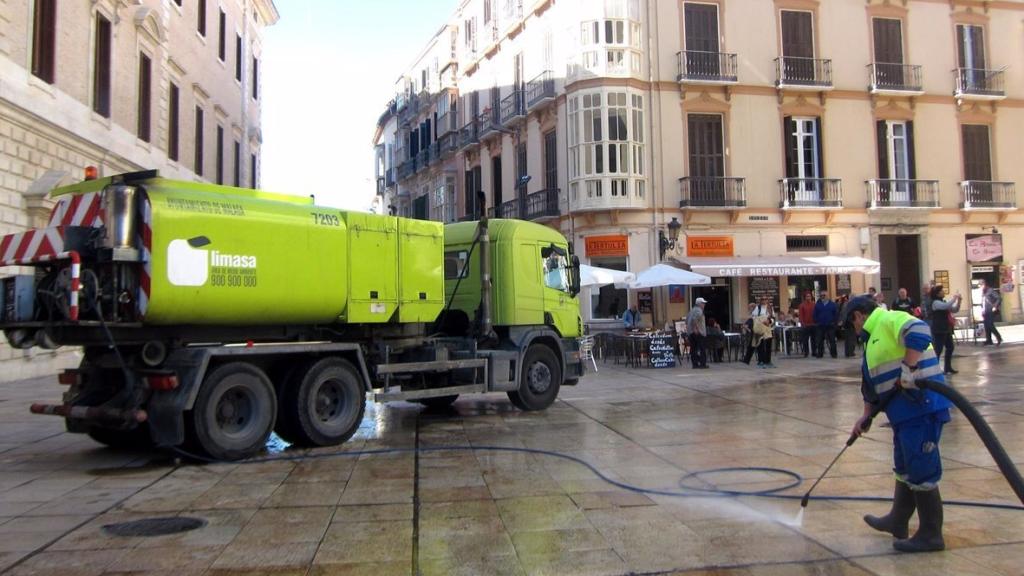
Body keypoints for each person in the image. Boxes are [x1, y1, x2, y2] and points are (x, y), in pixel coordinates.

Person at [844, 296, 951, 553]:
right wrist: (866, 415)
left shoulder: (889, 319)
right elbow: (871, 383)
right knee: (905, 465)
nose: (852, 329)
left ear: (859, 315)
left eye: (851, 323)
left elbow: (920, 330)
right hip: (902, 415)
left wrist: (909, 367)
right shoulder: (871, 340)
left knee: (921, 468)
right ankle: (898, 520)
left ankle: (931, 533)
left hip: (921, 408)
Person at [929, 285, 961, 375]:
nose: (943, 292)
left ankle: (948, 368)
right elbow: (945, 306)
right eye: (942, 291)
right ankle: (934, 369)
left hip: (946, 328)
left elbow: (954, 309)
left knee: (950, 347)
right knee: (938, 349)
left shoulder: (943, 301)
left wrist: (959, 301)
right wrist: (954, 298)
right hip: (939, 329)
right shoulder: (935, 303)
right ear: (937, 293)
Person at [812, 290, 838, 358]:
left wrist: (834, 322)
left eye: (824, 295)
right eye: (821, 295)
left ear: (827, 296)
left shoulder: (832, 304)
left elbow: (836, 314)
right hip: (820, 325)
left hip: (830, 325)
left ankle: (834, 354)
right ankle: (820, 354)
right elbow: (814, 314)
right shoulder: (818, 305)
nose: (822, 297)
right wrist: (817, 321)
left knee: (832, 340)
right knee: (819, 340)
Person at [686, 298, 709, 369]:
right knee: (702, 348)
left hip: (691, 333)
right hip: (698, 333)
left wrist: (690, 330)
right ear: (699, 304)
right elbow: (694, 319)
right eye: (703, 303)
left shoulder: (691, 310)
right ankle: (703, 364)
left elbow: (686, 321)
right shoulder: (699, 310)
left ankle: (695, 364)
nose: (704, 305)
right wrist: (696, 329)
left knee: (693, 349)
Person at [981, 279, 1003, 346]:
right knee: (986, 325)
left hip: (991, 310)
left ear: (984, 284)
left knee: (990, 325)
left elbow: (999, 298)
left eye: (981, 284)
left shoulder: (990, 291)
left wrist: (995, 306)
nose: (980, 286)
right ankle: (989, 340)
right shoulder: (982, 291)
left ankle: (999, 338)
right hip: (985, 311)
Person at [798, 291, 815, 358]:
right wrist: (802, 323)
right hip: (805, 325)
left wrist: (815, 323)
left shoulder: (814, 304)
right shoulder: (802, 305)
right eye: (807, 296)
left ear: (811, 297)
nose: (808, 298)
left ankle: (814, 352)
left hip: (813, 324)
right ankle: (806, 352)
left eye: (809, 296)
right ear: (805, 297)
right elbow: (801, 315)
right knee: (805, 340)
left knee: (813, 339)